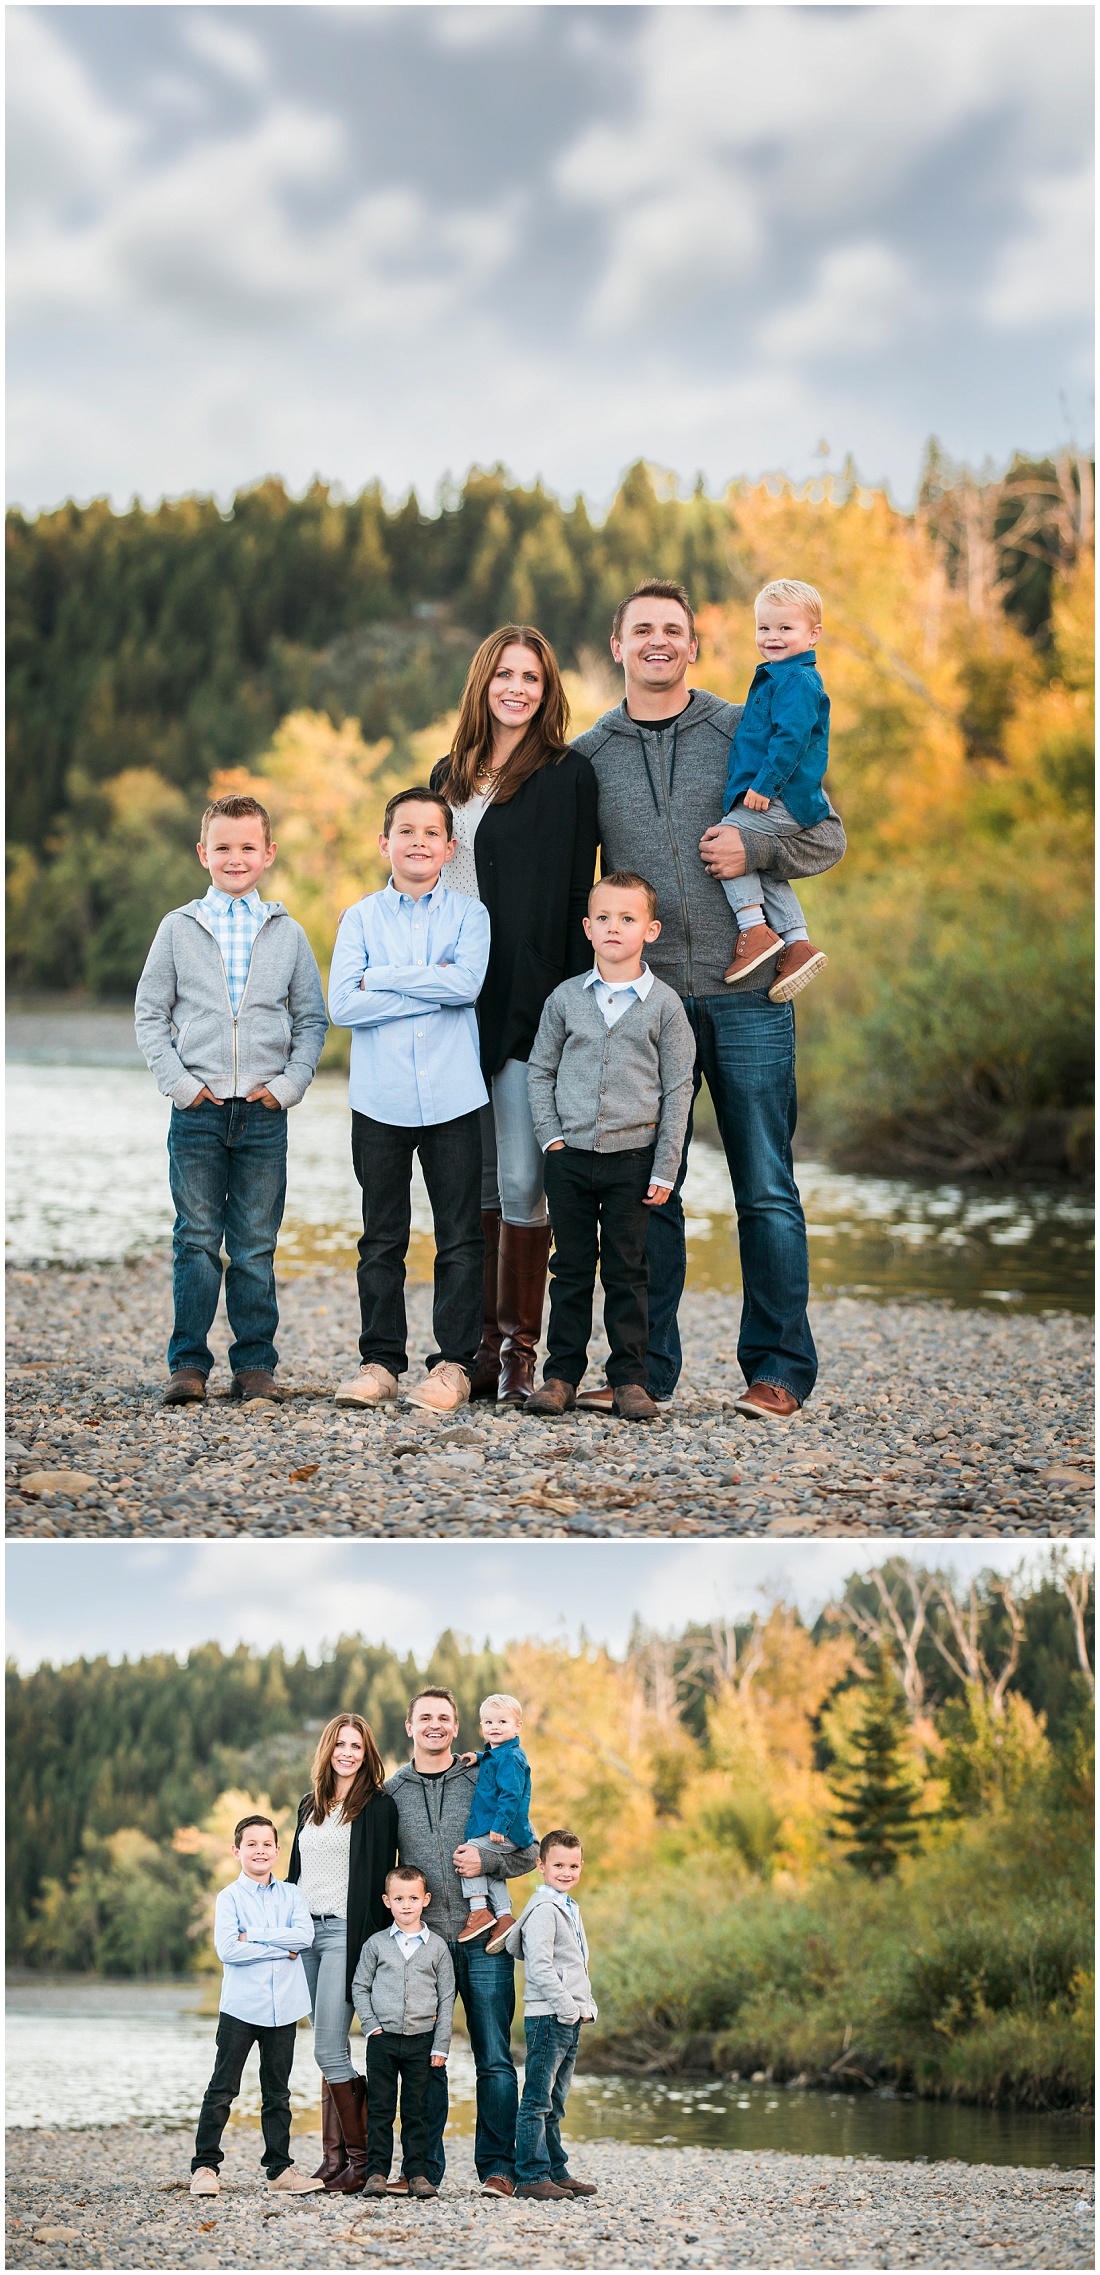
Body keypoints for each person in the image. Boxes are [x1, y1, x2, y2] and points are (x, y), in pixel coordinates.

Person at [571, 579, 846, 1423]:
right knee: (650, 1192)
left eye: (674, 630)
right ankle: (645, 1372)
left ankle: (777, 1371)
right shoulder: (588, 757)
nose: (659, 641)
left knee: (765, 1184)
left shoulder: (743, 724)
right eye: (642, 629)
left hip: (750, 995)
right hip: (646, 1008)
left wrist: (753, 837)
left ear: (696, 645)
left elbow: (826, 834)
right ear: (617, 646)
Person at [430, 625, 599, 1405]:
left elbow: (574, 898)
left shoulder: (569, 776)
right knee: (478, 1184)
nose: (517, 688)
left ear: (547, 687)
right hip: (451, 1005)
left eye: (532, 675)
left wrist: (571, 1005)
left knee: (526, 1177)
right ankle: (479, 1349)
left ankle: (522, 1354)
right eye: (505, 674)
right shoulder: (447, 774)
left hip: (533, 997)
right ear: (483, 683)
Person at [134, 792, 327, 1406]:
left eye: (248, 846)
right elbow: (149, 1015)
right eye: (223, 847)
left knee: (253, 1244)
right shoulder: (178, 928)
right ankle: (188, 1364)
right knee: (195, 1237)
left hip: (264, 1112)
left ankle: (254, 1367)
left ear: (268, 854)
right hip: (198, 1110)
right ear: (203, 854)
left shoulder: (288, 932)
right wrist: (183, 1085)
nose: (235, 857)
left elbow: (312, 1020)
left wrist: (289, 1086)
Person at [327, 788, 491, 1415]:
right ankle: (381, 1363)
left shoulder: (469, 916)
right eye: (405, 830)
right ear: (384, 843)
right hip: (380, 1100)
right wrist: (434, 985)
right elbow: (343, 1005)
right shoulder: (361, 918)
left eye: (431, 833)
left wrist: (386, 978)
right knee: (381, 1238)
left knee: (459, 1238)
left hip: (452, 1098)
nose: (418, 841)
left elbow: (467, 985)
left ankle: (452, 1363)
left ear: (450, 849)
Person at [525, 872, 695, 1421]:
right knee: (570, 1269)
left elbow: (678, 1089)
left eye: (627, 919)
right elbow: (540, 1071)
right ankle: (560, 1377)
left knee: (627, 1271)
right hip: (569, 1157)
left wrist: (665, 1166)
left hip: (633, 1160)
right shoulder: (566, 999)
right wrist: (550, 1137)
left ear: (651, 929)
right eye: (604, 918)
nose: (614, 927)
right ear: (587, 928)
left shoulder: (665, 1005)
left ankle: (629, 1381)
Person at [385, 1686, 539, 2197]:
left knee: (494, 2057)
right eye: (424, 1717)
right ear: (409, 1726)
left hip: (483, 1941)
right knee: (426, 2058)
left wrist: (486, 1862)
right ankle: (422, 2169)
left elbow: (528, 1852)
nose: (435, 1725)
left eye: (444, 1718)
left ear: (456, 1727)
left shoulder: (486, 1772)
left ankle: (499, 2168)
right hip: (422, 1946)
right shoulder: (392, 1793)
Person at [285, 1714, 399, 2195]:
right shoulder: (308, 1807)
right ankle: (333, 2162)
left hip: (346, 1935)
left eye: (356, 1745)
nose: (348, 1753)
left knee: (328, 2047)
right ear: (327, 1750)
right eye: (340, 1744)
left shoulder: (377, 1807)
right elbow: (295, 1875)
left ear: (367, 1752)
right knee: (329, 2048)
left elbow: (379, 1880)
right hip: (304, 1937)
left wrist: (375, 1944)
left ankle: (363, 2162)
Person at [718, 579, 838, 999]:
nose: (772, 637)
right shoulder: (776, 679)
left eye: (785, 629)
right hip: (776, 793)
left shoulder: (798, 682)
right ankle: (798, 943)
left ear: (812, 634)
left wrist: (763, 787)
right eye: (764, 628)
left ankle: (755, 930)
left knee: (724, 840)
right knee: (756, 860)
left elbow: (791, 740)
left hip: (781, 796)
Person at [190, 1814, 321, 2199]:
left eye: (267, 1844)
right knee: (222, 2089)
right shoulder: (229, 1897)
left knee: (278, 2093)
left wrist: (257, 1938)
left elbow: (306, 1937)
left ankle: (279, 2170)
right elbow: (228, 1949)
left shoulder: (293, 1895)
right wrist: (282, 1949)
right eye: (252, 1844)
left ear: (278, 1851)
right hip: (241, 2009)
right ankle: (205, 2168)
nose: (260, 1850)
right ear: (237, 1851)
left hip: (284, 2009)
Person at [504, 1830, 599, 2201]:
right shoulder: (544, 1910)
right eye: (558, 1864)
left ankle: (555, 2169)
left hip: (569, 2017)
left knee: (556, 2100)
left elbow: (576, 1965)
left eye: (573, 1865)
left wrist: (584, 2009)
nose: (566, 1871)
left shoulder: (569, 1906)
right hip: (549, 2016)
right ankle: (530, 2175)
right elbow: (540, 1968)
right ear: (540, 1866)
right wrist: (568, 2008)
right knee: (537, 2100)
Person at [352, 1864, 455, 2198]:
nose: (406, 1904)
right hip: (383, 2041)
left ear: (425, 1899)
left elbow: (447, 1996)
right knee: (380, 2109)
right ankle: (377, 2174)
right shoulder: (376, 1944)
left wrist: (440, 2045)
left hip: (422, 2041)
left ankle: (417, 2174)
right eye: (399, 1898)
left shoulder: (437, 1946)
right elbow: (359, 1987)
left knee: (417, 2111)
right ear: (387, 1901)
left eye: (413, 1897)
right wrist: (371, 2028)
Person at [455, 1693, 534, 1948]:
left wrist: (500, 1826)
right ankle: (504, 1917)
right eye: (489, 1723)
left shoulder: (512, 1758)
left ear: (517, 1726)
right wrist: (479, 1757)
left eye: (502, 1722)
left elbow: (511, 1795)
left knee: (468, 1853)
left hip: (507, 1831)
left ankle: (479, 1910)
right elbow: (494, 1760)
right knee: (488, 1867)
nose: (495, 1727)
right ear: (482, 1727)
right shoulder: (500, 1754)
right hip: (505, 1830)